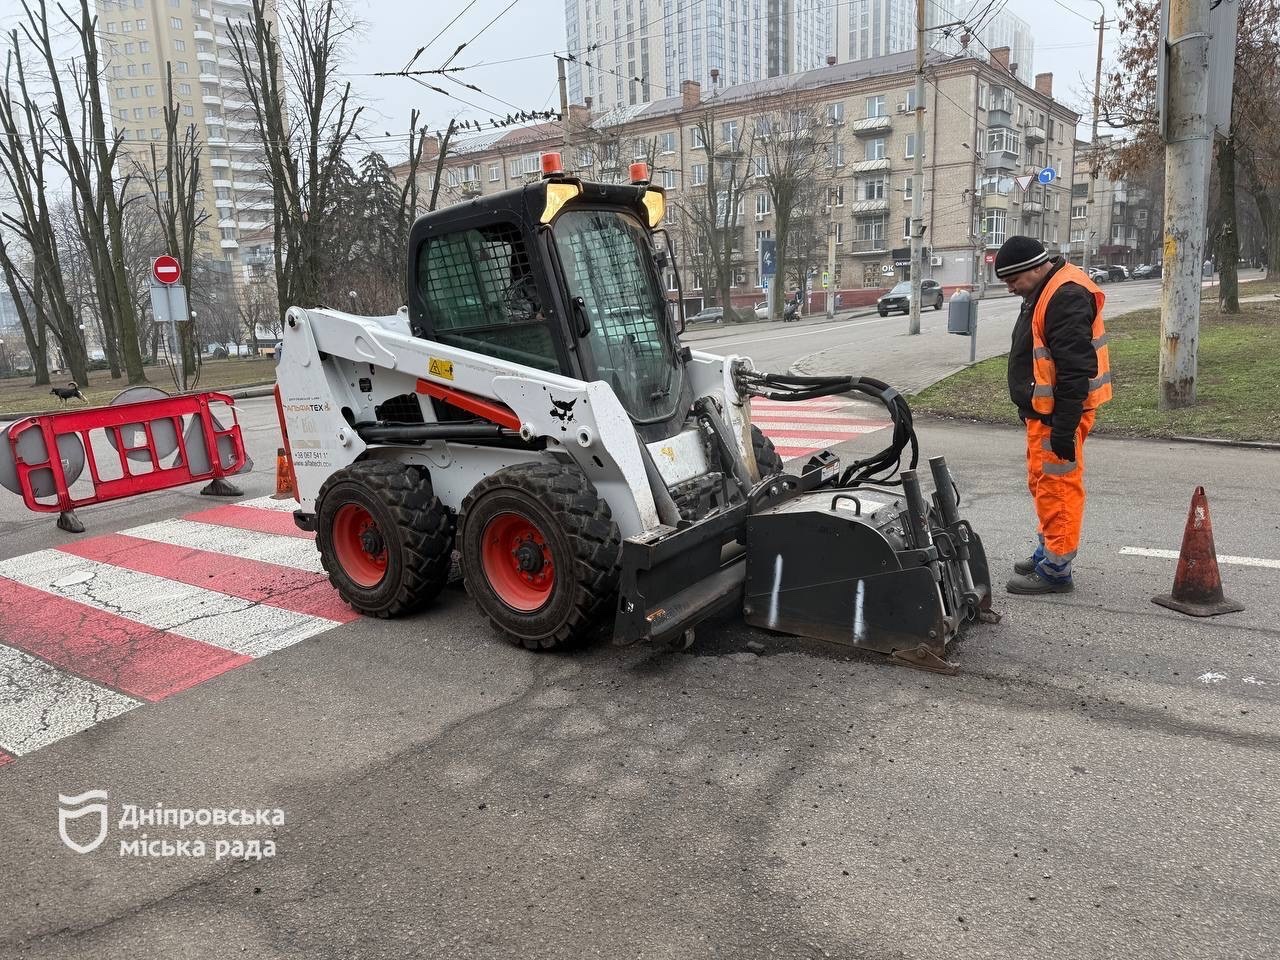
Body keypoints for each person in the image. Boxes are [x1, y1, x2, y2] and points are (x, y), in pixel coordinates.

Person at [996, 236, 1112, 595]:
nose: (1011, 288)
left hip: (1060, 414)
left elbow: (1075, 368)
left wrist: (1063, 427)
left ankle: (1056, 569)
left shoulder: (1065, 295)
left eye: (1013, 280)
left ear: (1033, 268)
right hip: (1046, 412)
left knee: (1058, 486)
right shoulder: (1046, 289)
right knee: (1042, 483)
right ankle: (1049, 548)